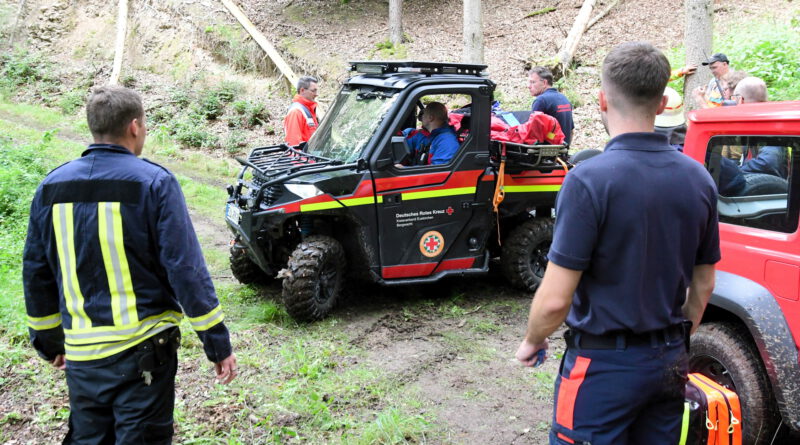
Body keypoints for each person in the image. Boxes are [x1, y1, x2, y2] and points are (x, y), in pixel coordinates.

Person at [515, 42, 719, 445]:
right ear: (662, 103)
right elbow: (704, 284)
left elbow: (556, 298)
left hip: (602, 367)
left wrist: (533, 341)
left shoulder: (587, 180)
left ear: (602, 100)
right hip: (669, 361)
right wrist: (674, 339)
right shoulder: (699, 180)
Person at [23, 86, 237, 444]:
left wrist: (48, 342)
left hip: (82, 356)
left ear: (93, 126)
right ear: (135, 127)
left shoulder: (50, 188)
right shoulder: (154, 183)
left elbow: (36, 272)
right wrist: (216, 342)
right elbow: (185, 269)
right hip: (144, 353)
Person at [528, 66, 574, 145]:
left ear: (544, 83)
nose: (528, 86)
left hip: (546, 153)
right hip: (562, 151)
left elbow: (532, 132)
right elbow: (571, 131)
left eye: (533, 82)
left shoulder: (541, 100)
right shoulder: (564, 98)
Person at [283, 76, 319, 146]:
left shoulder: (309, 109)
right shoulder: (296, 112)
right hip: (305, 156)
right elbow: (293, 145)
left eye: (316, 90)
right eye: (313, 91)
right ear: (302, 90)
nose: (316, 94)